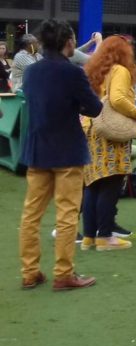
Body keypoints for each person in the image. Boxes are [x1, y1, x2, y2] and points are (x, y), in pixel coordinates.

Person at [18, 20, 103, 291]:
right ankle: (63, 273)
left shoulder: (31, 72)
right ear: (68, 42)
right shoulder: (73, 73)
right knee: (66, 214)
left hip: (37, 150)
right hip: (67, 151)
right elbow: (94, 108)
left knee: (31, 214)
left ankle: (30, 272)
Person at [81, 35, 136, 251]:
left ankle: (89, 237)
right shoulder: (120, 70)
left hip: (91, 129)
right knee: (111, 183)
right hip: (111, 133)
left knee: (92, 184)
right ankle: (105, 236)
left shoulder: (95, 71)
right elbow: (117, 99)